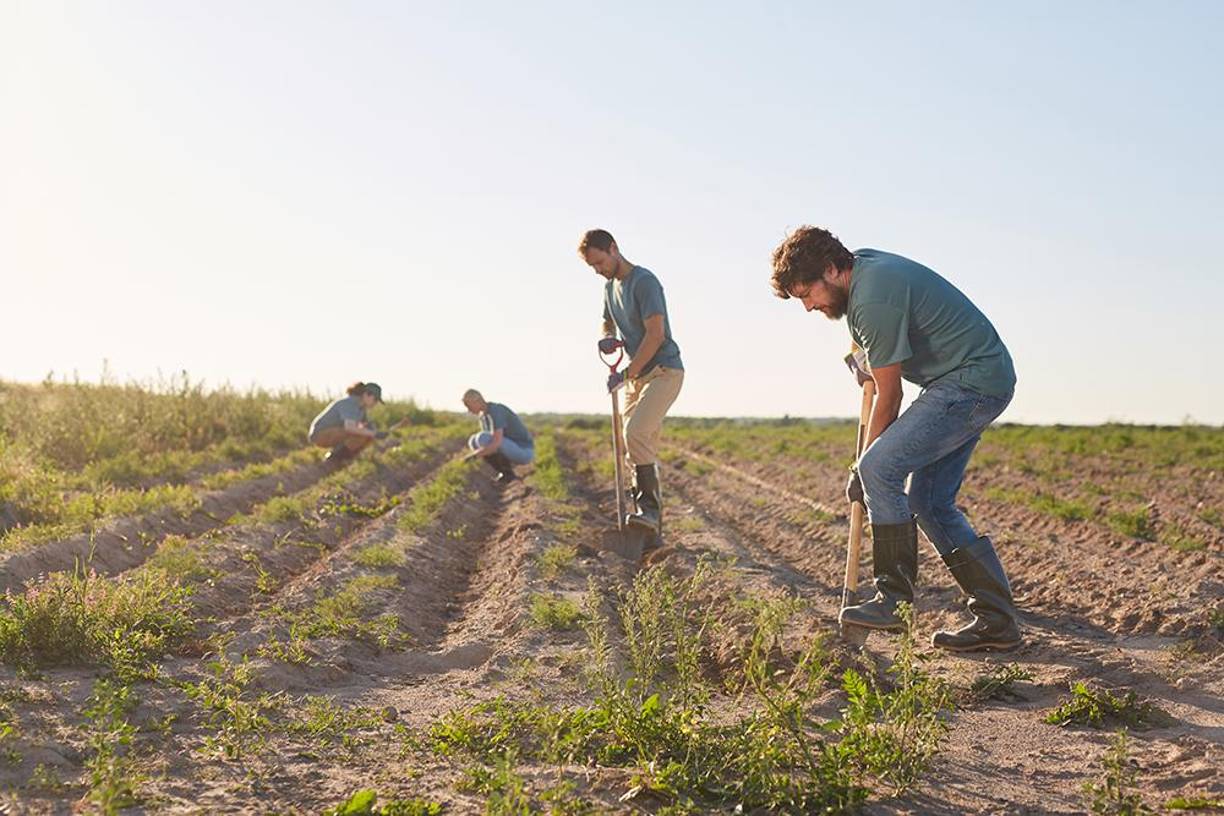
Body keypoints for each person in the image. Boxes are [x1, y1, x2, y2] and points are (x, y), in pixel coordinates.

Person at [770, 226, 1020, 652]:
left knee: (878, 468)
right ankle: (997, 623)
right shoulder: (865, 273)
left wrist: (864, 467)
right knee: (928, 502)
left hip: (967, 385)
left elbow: (891, 395)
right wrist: (862, 359)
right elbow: (871, 350)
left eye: (808, 294)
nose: (809, 307)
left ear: (832, 269)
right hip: (976, 379)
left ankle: (892, 599)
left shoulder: (871, 299)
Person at [579, 228, 684, 536]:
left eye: (600, 262)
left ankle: (648, 511)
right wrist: (608, 338)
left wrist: (626, 374)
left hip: (664, 370)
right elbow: (607, 320)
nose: (598, 271)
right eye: (593, 267)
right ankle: (651, 529)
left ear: (613, 248)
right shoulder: (610, 287)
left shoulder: (645, 282)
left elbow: (656, 335)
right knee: (636, 445)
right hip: (637, 375)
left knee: (635, 432)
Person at [462, 389, 534, 483]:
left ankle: (508, 473)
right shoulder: (483, 416)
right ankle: (505, 472)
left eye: (469, 406)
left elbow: (496, 443)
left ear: (477, 401)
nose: (468, 410)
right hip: (511, 448)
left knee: (482, 438)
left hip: (524, 451)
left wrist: (473, 456)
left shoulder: (495, 410)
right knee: (473, 441)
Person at [308, 382, 389, 464]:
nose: (375, 403)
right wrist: (373, 433)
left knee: (367, 435)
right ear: (366, 395)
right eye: (375, 400)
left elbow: (367, 427)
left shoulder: (361, 408)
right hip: (319, 434)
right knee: (363, 434)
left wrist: (377, 433)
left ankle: (345, 458)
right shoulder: (350, 403)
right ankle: (334, 459)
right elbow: (349, 428)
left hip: (333, 432)